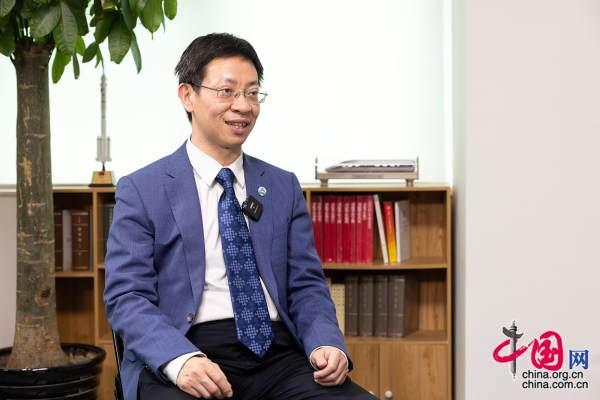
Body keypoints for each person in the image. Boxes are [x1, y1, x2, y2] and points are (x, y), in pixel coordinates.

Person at [104, 33, 377, 400]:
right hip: (188, 346)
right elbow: (126, 296)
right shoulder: (143, 189)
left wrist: (326, 342)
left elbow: (306, 285)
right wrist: (180, 360)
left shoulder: (281, 186)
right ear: (187, 95)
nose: (243, 106)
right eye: (227, 91)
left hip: (279, 355)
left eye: (252, 93)